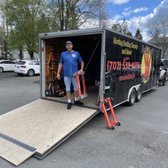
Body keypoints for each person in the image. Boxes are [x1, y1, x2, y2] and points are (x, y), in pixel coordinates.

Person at [57, 41, 84, 110]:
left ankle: (76, 100)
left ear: (72, 46)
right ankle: (69, 102)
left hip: (75, 75)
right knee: (68, 89)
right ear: (66, 47)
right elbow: (60, 64)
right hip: (66, 75)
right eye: (67, 45)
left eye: (70, 45)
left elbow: (81, 61)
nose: (68, 46)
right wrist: (58, 73)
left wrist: (81, 69)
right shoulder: (63, 54)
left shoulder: (76, 53)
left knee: (76, 88)